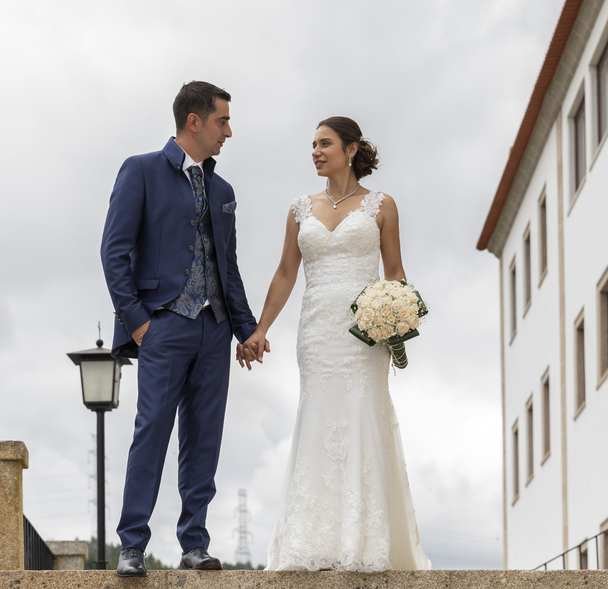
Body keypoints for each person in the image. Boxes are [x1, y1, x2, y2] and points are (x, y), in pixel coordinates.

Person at [239, 116, 431, 572]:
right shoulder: (299, 209)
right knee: (318, 417)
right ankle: (313, 541)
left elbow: (395, 271)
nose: (316, 152)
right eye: (312, 145)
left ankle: (363, 543)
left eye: (325, 143)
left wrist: (396, 316)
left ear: (351, 149)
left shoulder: (382, 205)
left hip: (364, 334)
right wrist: (261, 328)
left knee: (363, 415)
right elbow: (286, 273)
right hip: (317, 331)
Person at [100, 81, 262, 577]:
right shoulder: (142, 170)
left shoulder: (223, 190)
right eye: (223, 121)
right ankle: (132, 545)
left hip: (214, 330)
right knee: (151, 431)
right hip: (163, 325)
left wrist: (246, 330)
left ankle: (195, 542)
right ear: (195, 120)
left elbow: (226, 267)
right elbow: (114, 252)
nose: (228, 132)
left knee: (204, 437)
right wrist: (139, 323)